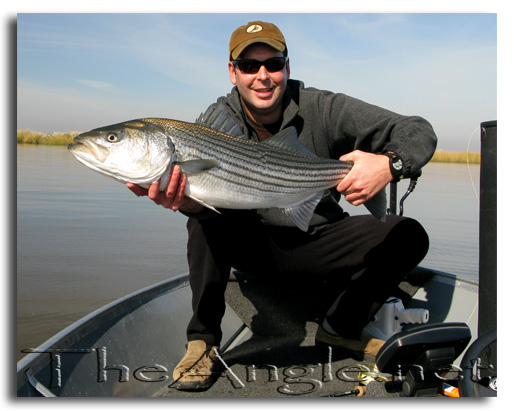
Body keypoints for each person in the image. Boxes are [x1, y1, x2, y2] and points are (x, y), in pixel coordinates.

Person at [127, 20, 437, 392]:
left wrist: (389, 164)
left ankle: (340, 328)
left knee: (408, 235)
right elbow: (203, 206)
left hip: (318, 239)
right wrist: (187, 203)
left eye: (273, 64)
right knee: (204, 216)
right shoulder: (214, 124)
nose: (262, 76)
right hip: (256, 249)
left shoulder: (323, 106)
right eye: (248, 66)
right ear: (232, 72)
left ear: (287, 67)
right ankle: (203, 341)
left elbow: (418, 129)